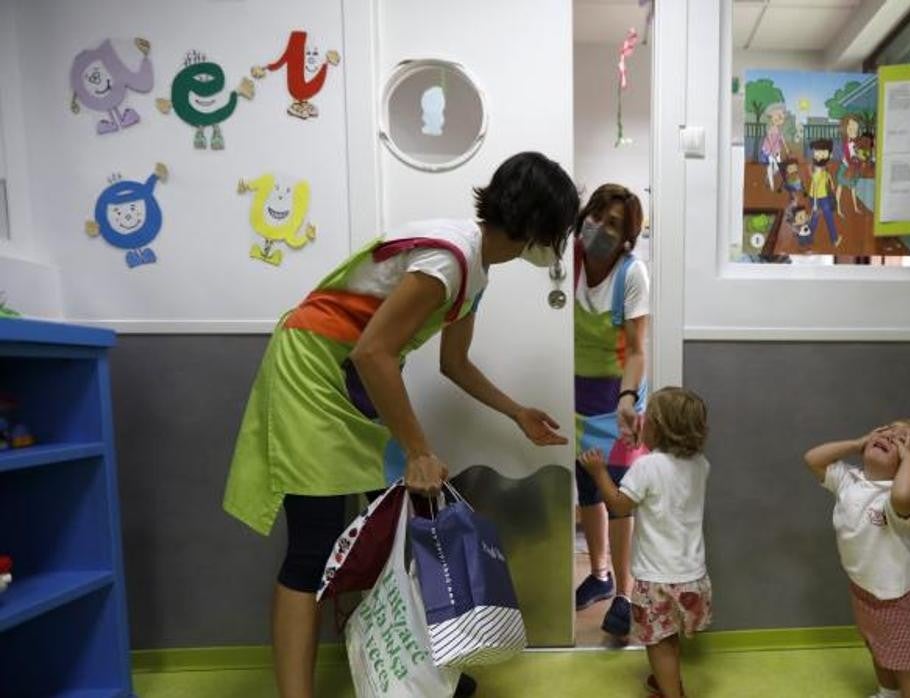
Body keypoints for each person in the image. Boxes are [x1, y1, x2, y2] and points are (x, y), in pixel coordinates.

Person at [222, 152, 579, 698]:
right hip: (313, 371)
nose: (557, 245)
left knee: (380, 537)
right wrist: (417, 450)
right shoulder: (450, 260)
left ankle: (403, 676)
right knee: (315, 544)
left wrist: (517, 413)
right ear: (536, 225)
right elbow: (373, 353)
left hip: (354, 383)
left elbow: (453, 364)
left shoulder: (474, 271)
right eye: (558, 231)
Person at [583, 387, 713, 698]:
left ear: (658, 428)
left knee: (658, 641)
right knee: (670, 636)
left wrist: (599, 472)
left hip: (657, 579)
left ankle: (672, 694)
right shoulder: (700, 464)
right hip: (692, 575)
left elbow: (618, 506)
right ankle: (668, 682)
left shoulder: (646, 467)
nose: (642, 424)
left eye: (647, 421)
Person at [803, 420, 910, 698]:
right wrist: (858, 442)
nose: (890, 436)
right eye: (889, 429)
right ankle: (887, 694)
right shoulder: (850, 480)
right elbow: (813, 459)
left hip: (897, 599)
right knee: (878, 649)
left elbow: (904, 494)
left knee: (906, 668)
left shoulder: (899, 499)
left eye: (903, 441)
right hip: (864, 590)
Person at [570, 184, 652, 637]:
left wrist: (626, 401)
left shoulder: (631, 274)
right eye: (596, 214)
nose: (599, 226)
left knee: (618, 498)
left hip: (616, 400)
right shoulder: (569, 262)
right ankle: (598, 575)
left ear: (627, 238)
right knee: (587, 488)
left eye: (613, 223)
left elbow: (639, 350)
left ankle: (624, 592)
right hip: (574, 398)